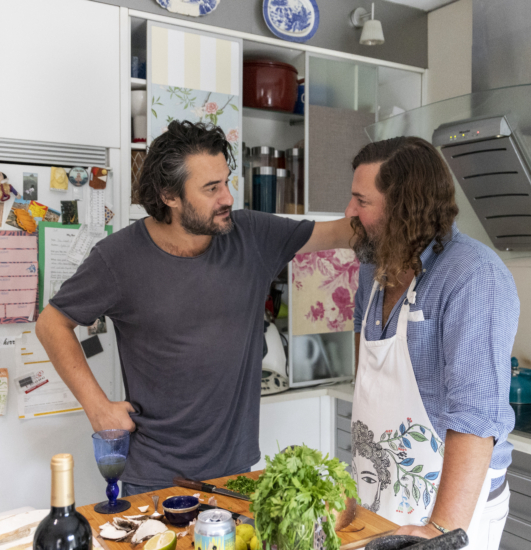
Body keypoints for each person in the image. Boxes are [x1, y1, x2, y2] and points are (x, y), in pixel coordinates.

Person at [36, 120, 353, 495]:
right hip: (155, 479)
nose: (228, 198)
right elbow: (51, 324)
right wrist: (97, 406)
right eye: (211, 188)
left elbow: (341, 232)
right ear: (169, 196)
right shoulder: (117, 259)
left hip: (238, 472)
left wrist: (391, 200)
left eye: (227, 182)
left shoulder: (252, 236)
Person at [346, 137, 518, 549]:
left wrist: (440, 530)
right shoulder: (372, 269)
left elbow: (475, 419)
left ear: (403, 206)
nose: (350, 212)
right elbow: (367, 382)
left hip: (449, 508)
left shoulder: (473, 276)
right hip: (379, 491)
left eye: (361, 201)